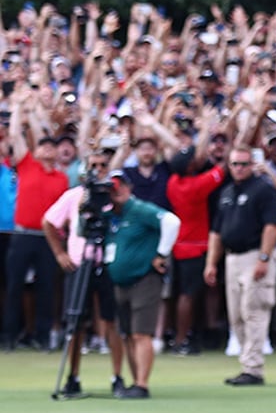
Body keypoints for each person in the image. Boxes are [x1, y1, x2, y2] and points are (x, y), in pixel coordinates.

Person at [42, 151, 131, 397]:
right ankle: (73, 376)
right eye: (94, 165)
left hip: (107, 264)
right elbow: (48, 222)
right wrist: (60, 254)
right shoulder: (74, 196)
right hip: (79, 263)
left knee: (111, 321)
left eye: (103, 165)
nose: (98, 169)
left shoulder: (113, 196)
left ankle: (117, 377)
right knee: (76, 322)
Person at [205, 148, 276, 386]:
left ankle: (253, 367)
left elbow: (272, 226)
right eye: (235, 164)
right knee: (236, 314)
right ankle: (246, 363)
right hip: (232, 257)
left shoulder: (263, 190)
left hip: (254, 254)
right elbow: (217, 231)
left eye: (244, 164)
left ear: (252, 165)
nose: (239, 168)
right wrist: (211, 262)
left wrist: (264, 257)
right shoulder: (226, 192)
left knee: (254, 310)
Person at [103, 170, 181, 399]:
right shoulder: (110, 214)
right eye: (111, 189)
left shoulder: (138, 209)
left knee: (140, 333)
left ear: (128, 188)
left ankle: (142, 383)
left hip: (143, 278)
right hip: (120, 282)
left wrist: (161, 253)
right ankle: (135, 381)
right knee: (127, 333)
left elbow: (171, 221)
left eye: (119, 188)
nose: (115, 193)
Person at [5, 136, 69, 351]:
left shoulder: (62, 178)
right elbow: (16, 134)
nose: (48, 148)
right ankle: (8, 336)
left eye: (52, 145)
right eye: (43, 145)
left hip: (47, 237)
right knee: (14, 285)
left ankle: (42, 337)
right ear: (37, 150)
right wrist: (21, 106)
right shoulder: (27, 165)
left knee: (47, 288)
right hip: (23, 234)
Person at [165, 146, 225, 356]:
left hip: (181, 244)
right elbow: (222, 170)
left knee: (185, 294)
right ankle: (181, 340)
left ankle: (183, 336)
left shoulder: (173, 182)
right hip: (195, 246)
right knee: (188, 295)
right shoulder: (196, 185)